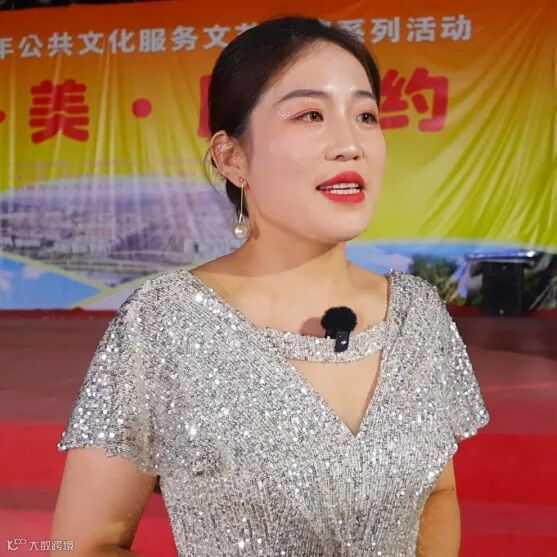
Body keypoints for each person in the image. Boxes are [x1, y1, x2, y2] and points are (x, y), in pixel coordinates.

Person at [51, 15, 490, 557]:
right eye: (311, 115)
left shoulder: (417, 315)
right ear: (232, 157)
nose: (350, 144)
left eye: (366, 116)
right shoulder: (164, 323)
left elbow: (438, 494)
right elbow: (82, 544)